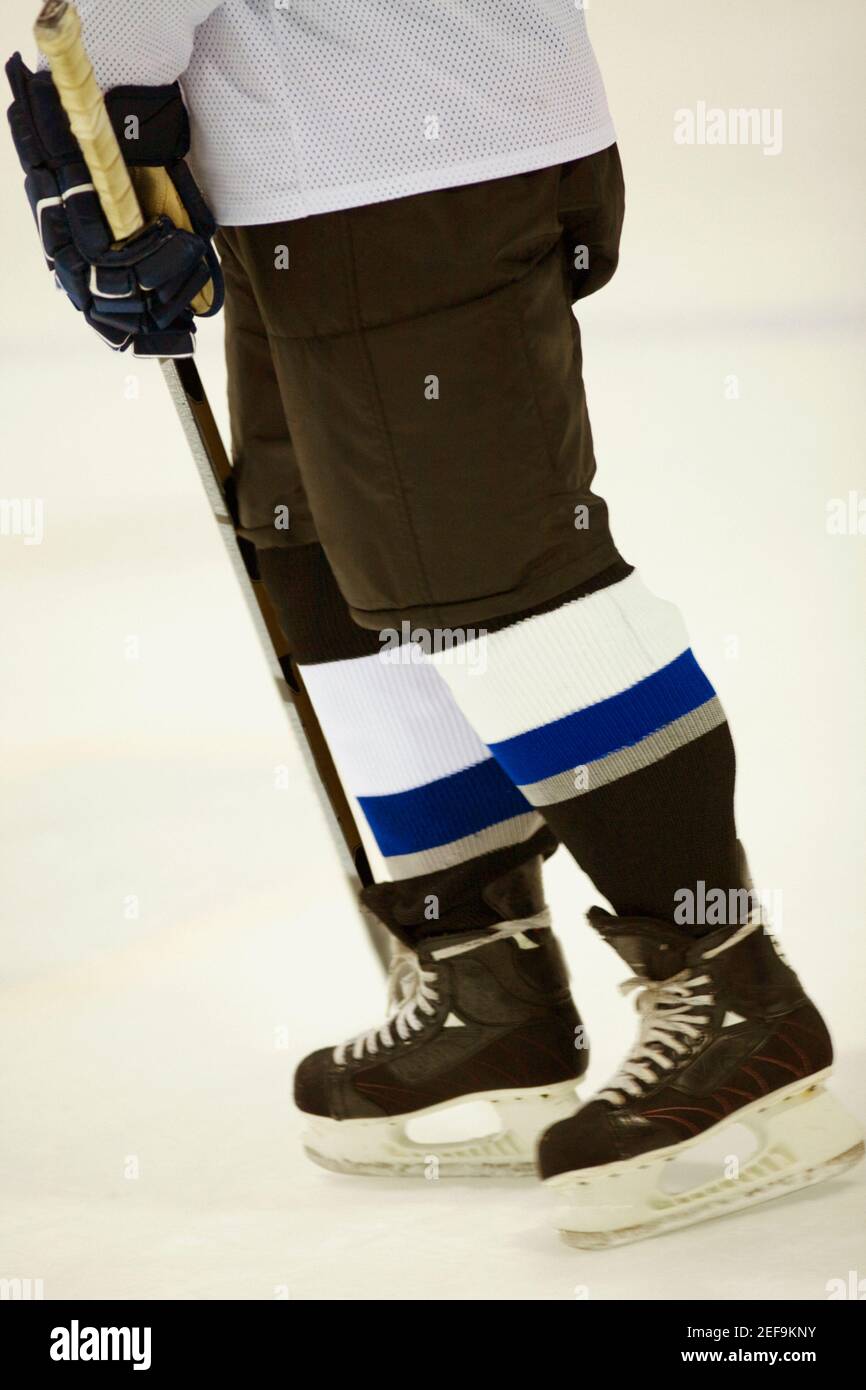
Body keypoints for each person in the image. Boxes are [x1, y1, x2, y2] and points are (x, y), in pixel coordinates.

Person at [9, 0, 861, 1247]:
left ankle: (731, 993)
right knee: (326, 578)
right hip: (325, 158)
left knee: (491, 586)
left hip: (392, 166)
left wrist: (91, 134)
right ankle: (485, 978)